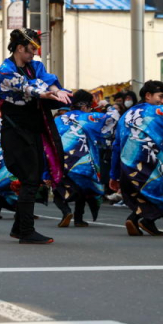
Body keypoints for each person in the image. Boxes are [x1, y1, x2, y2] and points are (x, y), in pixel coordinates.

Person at [0, 28, 70, 244]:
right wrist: (47, 92)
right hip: (15, 132)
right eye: (31, 50)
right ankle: (27, 231)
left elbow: (48, 79)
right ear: (20, 48)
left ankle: (19, 228)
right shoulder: (5, 71)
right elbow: (30, 88)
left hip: (33, 129)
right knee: (30, 179)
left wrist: (57, 90)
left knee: (35, 177)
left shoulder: (34, 66)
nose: (34, 54)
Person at [109, 80, 163, 236]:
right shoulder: (157, 112)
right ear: (148, 95)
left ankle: (136, 220)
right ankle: (143, 220)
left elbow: (116, 146)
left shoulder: (125, 116)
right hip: (149, 161)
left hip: (127, 164)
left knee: (149, 193)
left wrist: (114, 175)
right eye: (161, 97)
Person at [53, 90, 118, 228]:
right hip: (82, 162)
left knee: (57, 188)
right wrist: (107, 106)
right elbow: (113, 119)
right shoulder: (89, 118)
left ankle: (66, 212)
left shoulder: (58, 119)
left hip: (60, 160)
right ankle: (78, 219)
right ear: (84, 107)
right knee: (82, 190)